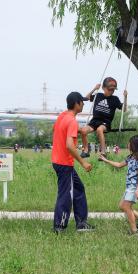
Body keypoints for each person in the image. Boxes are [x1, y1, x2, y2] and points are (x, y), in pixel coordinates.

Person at [51, 91, 94, 233]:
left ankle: (81, 223)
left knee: (78, 189)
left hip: (58, 160)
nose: (83, 104)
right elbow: (70, 145)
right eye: (82, 102)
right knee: (66, 194)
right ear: (77, 104)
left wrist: (78, 130)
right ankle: (59, 226)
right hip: (64, 163)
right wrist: (83, 163)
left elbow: (58, 130)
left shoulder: (62, 116)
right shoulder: (72, 121)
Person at [100, 135, 138, 235]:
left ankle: (135, 231)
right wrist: (106, 160)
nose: (128, 144)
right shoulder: (130, 157)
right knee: (122, 206)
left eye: (129, 143)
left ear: (134, 145)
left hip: (134, 188)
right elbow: (119, 165)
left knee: (126, 207)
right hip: (129, 187)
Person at [80, 77, 127, 159]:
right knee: (83, 130)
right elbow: (86, 98)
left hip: (105, 122)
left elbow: (124, 109)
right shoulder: (98, 95)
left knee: (99, 129)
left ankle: (103, 152)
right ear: (103, 88)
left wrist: (125, 97)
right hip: (94, 121)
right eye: (109, 90)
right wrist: (94, 88)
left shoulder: (115, 99)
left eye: (113, 90)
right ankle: (86, 150)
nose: (111, 91)